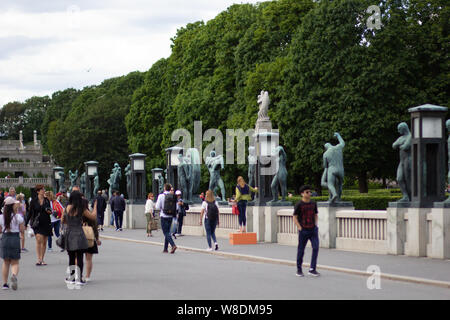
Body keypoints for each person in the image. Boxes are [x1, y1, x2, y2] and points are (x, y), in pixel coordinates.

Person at [62, 190, 97, 285]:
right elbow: (93, 217)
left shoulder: (67, 207)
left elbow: (63, 220)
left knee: (71, 257)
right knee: (80, 256)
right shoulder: (81, 208)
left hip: (69, 233)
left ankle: (72, 277)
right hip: (79, 233)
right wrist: (95, 207)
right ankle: (80, 278)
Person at [293, 185, 320, 277]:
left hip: (313, 229)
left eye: (310, 192)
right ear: (302, 194)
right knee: (301, 249)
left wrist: (316, 225)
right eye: (307, 192)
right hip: (303, 230)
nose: (309, 193)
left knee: (316, 248)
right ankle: (299, 269)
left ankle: (312, 269)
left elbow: (316, 214)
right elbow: (295, 217)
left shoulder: (313, 203)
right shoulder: (299, 204)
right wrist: (299, 227)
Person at [0, 197, 25, 290]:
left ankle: (5, 284)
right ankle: (14, 275)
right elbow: (22, 230)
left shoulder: (1, 217)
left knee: (6, 262)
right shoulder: (18, 217)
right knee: (15, 262)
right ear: (12, 206)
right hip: (15, 238)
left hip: (5, 238)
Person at [26, 184, 52, 266]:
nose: (44, 190)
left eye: (44, 189)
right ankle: (39, 259)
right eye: (42, 189)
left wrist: (49, 211)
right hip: (37, 223)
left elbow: (50, 211)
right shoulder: (33, 201)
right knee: (39, 239)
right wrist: (26, 223)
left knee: (44, 241)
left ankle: (42, 259)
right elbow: (30, 213)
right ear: (38, 191)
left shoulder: (46, 200)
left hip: (46, 222)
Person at [155, 184, 177, 254]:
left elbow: (157, 207)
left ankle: (173, 245)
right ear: (170, 189)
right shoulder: (173, 196)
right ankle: (165, 249)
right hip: (170, 216)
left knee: (165, 232)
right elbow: (175, 207)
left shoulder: (161, 196)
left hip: (163, 215)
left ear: (164, 188)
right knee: (168, 232)